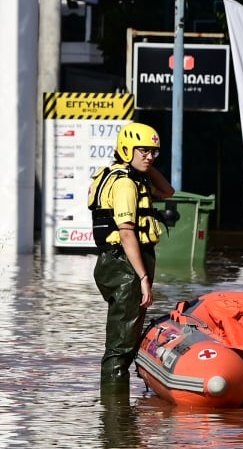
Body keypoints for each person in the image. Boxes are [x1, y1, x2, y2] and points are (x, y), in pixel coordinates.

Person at [88, 122, 174, 387]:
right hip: (125, 266)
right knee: (121, 347)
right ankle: (115, 419)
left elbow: (168, 192)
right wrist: (143, 277)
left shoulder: (129, 176)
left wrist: (147, 167)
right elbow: (127, 233)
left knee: (125, 339)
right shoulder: (125, 184)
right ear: (127, 149)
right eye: (143, 151)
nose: (149, 156)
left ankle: (120, 416)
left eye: (154, 152)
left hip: (122, 263)